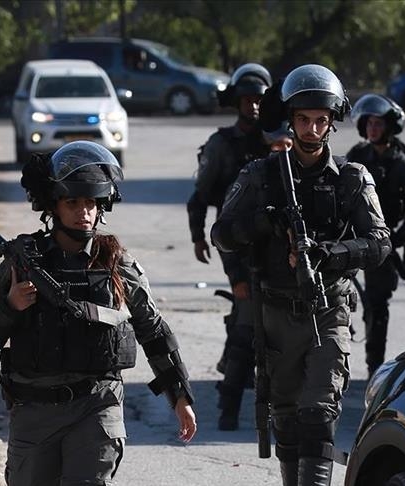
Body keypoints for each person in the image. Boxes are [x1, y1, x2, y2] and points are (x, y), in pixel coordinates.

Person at [0, 141, 196, 485]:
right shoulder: (23, 262)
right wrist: (10, 305)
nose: (84, 212)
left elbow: (153, 330)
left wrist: (179, 396)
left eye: (91, 202)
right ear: (53, 206)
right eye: (72, 202)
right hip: (35, 410)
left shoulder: (116, 262)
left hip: (97, 405)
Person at [211, 64, 391, 486]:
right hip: (275, 313)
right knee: (288, 420)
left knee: (319, 416)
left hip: (329, 309)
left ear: (332, 122)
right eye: (304, 119)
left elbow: (380, 243)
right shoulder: (260, 175)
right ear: (290, 120)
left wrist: (331, 254)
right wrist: (262, 223)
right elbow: (222, 235)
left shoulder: (352, 178)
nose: (311, 129)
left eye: (320, 120)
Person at [187, 63, 271, 431]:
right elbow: (200, 196)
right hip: (238, 243)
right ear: (236, 102)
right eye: (247, 100)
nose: (253, 106)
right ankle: (230, 406)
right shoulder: (222, 144)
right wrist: (198, 236)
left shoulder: (282, 139)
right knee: (245, 329)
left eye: (259, 100)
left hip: (281, 248)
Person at [345, 94, 405, 376]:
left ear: (389, 127)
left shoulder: (402, 163)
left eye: (378, 123)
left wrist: (398, 238)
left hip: (381, 244)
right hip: (352, 239)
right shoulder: (357, 156)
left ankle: (374, 367)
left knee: (377, 306)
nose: (373, 129)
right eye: (369, 123)